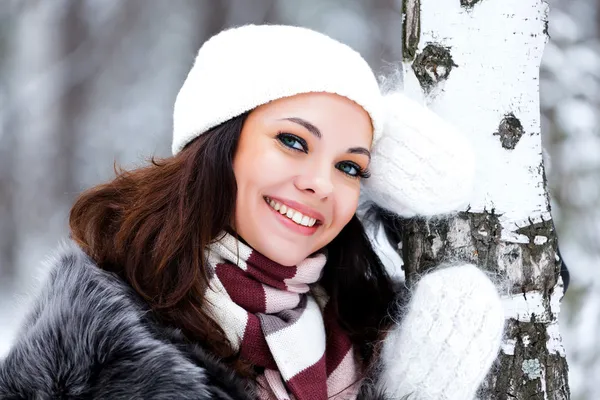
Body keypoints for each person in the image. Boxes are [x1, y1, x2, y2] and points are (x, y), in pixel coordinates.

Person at [0, 25, 505, 400]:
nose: (321, 183)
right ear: (220, 145)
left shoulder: (360, 328)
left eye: (350, 167)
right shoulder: (89, 353)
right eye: (292, 141)